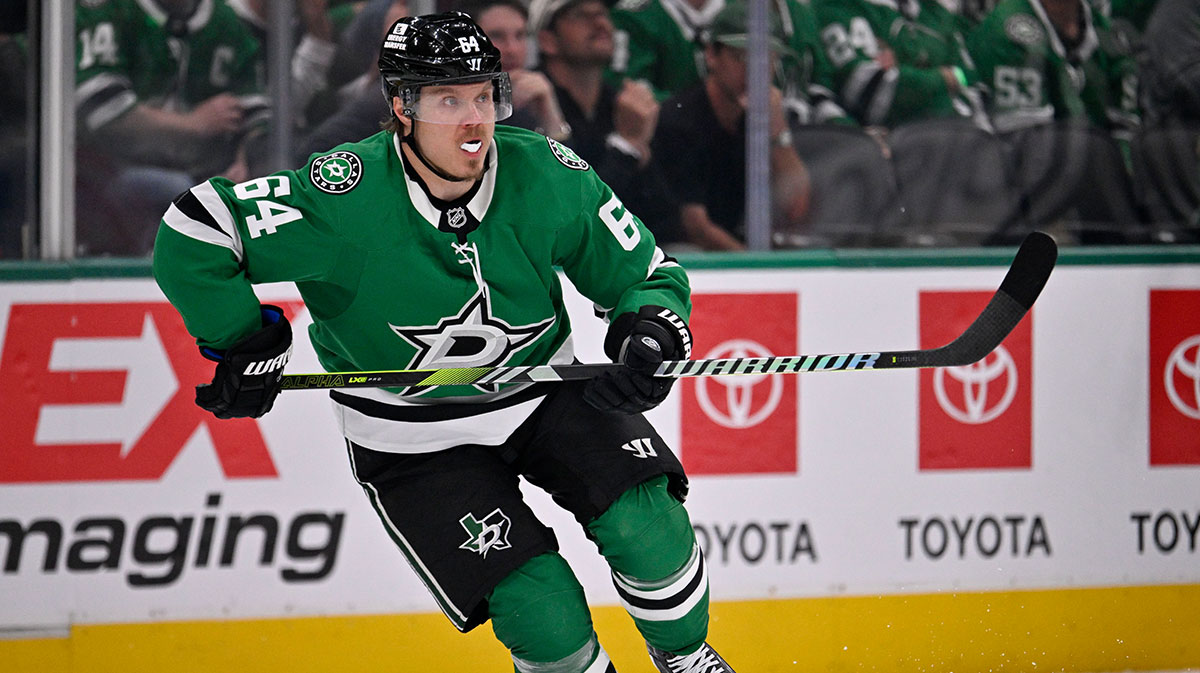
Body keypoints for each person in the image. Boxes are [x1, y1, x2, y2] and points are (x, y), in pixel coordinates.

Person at [153, 11, 735, 673]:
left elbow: (648, 274)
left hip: (541, 388)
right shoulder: (343, 196)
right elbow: (195, 230)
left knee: (647, 525)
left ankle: (683, 656)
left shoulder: (543, 172)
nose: (474, 119)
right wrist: (240, 340)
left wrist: (649, 328)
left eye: (485, 95)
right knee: (540, 612)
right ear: (402, 106)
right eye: (448, 99)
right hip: (412, 434)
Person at [75, 0, 269, 256]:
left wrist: (246, 158)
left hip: (203, 175)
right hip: (110, 174)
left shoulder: (226, 23)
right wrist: (193, 124)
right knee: (180, 193)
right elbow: (101, 111)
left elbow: (259, 117)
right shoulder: (114, 12)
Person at [652, 0, 811, 250]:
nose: (754, 71)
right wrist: (757, 268)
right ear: (711, 56)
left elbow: (797, 208)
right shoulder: (680, 122)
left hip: (736, 251)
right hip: (677, 258)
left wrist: (779, 133)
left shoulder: (763, 119)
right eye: (741, 57)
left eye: (766, 58)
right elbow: (696, 227)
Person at [529, 0, 686, 245]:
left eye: (603, 13)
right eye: (581, 15)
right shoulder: (531, 103)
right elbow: (575, 218)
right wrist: (627, 146)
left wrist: (639, 154)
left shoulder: (621, 105)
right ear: (547, 40)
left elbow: (667, 223)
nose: (600, 23)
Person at [966, 0, 1140, 137]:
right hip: (1010, 173)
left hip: (1083, 170)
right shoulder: (1006, 28)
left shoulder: (1108, 35)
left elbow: (1125, 136)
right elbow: (1024, 146)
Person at [815, 0, 990, 128]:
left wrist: (906, 78)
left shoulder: (936, 13)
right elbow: (868, 89)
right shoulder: (835, 8)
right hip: (879, 160)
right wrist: (944, 80)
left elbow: (973, 85)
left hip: (950, 149)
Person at [463, 0, 573, 140]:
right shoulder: (446, 110)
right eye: (496, 35)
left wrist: (550, 119)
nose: (512, 49)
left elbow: (563, 161)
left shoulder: (528, 101)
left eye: (520, 35)